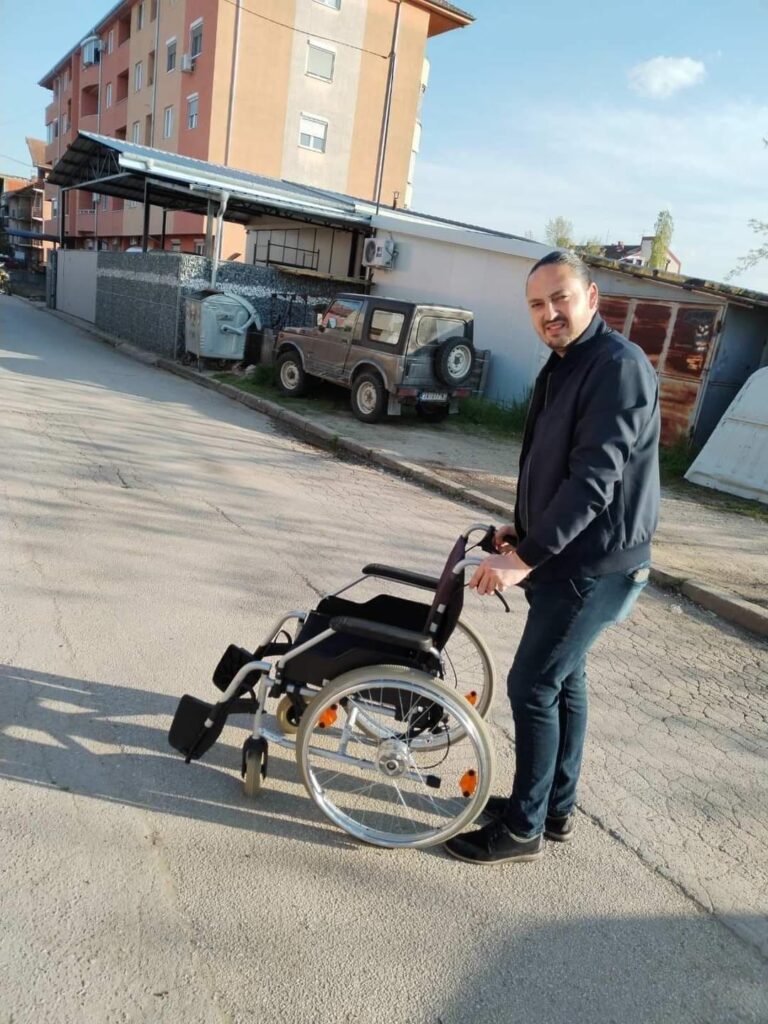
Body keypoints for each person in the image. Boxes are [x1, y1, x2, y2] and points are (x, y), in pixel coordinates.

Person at [444, 250, 660, 866]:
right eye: (537, 304)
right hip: (569, 557)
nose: (549, 314)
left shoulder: (617, 366)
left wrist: (526, 557)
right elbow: (557, 467)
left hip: (595, 567)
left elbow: (594, 480)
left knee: (533, 685)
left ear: (592, 297)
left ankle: (523, 829)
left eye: (560, 298)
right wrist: (522, 531)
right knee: (563, 683)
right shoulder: (566, 364)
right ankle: (551, 809)